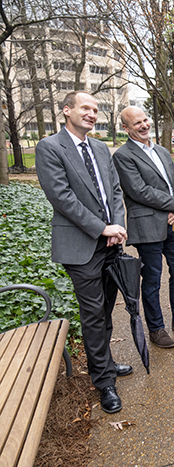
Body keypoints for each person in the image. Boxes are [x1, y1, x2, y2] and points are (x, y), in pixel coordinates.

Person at [35, 91, 130, 414]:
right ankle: (104, 382)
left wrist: (116, 225)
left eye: (96, 109)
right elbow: (61, 198)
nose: (92, 114)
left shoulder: (101, 148)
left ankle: (102, 362)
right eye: (85, 108)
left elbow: (115, 191)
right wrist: (101, 228)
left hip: (110, 244)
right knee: (92, 313)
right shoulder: (50, 148)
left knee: (105, 310)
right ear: (67, 111)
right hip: (81, 247)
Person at [113, 106, 174, 349]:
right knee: (152, 279)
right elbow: (138, 190)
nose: (144, 125)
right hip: (147, 226)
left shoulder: (163, 151)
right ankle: (156, 328)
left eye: (145, 120)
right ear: (126, 128)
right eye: (137, 123)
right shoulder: (123, 156)